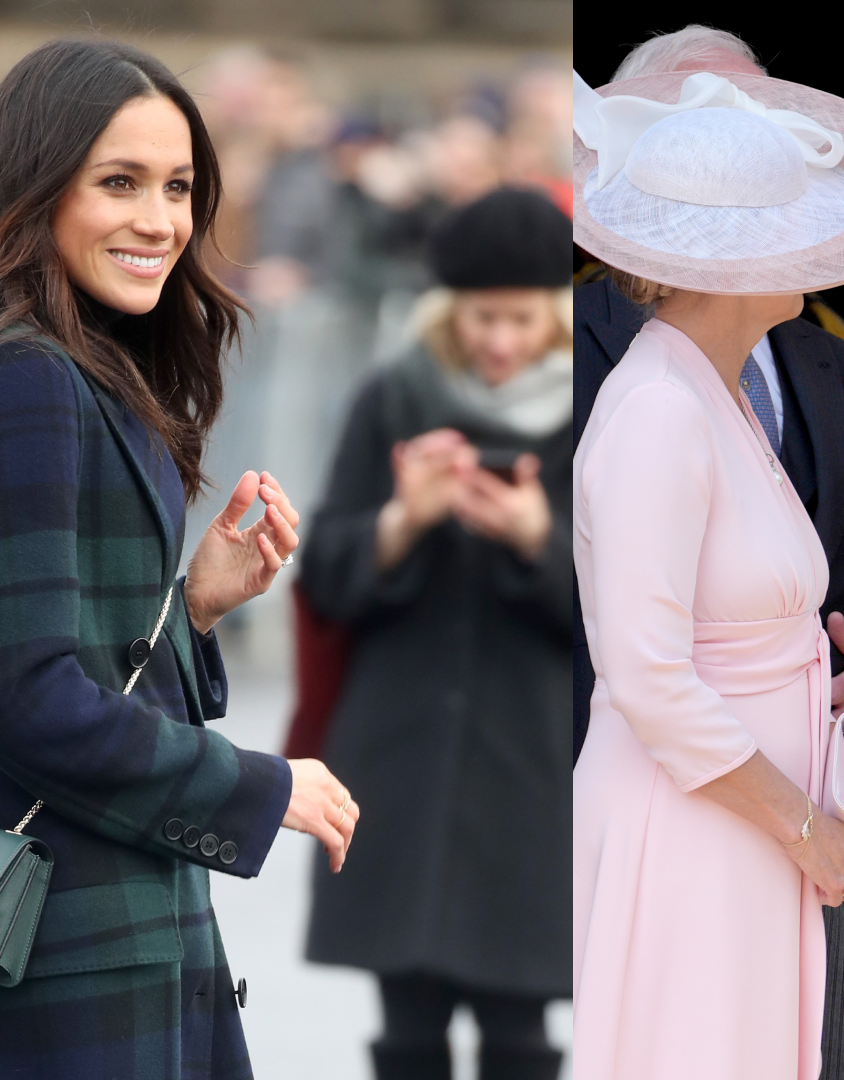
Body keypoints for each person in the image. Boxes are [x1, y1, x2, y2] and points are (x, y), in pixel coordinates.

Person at [0, 39, 356, 1079]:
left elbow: (41, 658)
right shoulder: (16, 374)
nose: (160, 221)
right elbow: (25, 702)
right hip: (58, 966)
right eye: (118, 183)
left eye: (179, 188)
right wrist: (255, 788)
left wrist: (190, 608)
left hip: (57, 948)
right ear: (33, 187)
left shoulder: (22, 356)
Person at [574, 26, 844, 1080]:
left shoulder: (715, 392)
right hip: (687, 832)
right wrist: (806, 828)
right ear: (733, 256)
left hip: (753, 828)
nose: (817, 248)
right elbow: (648, 673)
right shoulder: (655, 405)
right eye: (794, 224)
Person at [300, 187, 572, 1080]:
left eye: (521, 318)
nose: (500, 340)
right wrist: (402, 522)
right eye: (482, 316)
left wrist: (538, 538)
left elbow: (631, 616)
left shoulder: (596, 410)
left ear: (555, 313)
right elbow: (326, 577)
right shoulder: (396, 394)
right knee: (406, 1028)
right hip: (400, 755)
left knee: (521, 1031)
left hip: (533, 770)